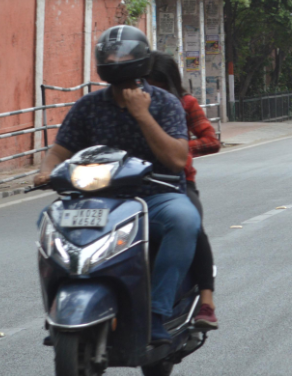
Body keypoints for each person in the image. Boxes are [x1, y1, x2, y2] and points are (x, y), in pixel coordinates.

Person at [33, 25, 200, 345]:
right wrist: (46, 170)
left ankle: (157, 312)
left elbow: (178, 159)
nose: (115, 59)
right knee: (47, 222)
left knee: (184, 220)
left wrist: (142, 115)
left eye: (122, 54)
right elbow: (59, 150)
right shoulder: (88, 106)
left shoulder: (165, 104)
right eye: (110, 55)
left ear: (140, 60)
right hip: (94, 201)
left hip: (155, 196)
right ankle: (57, 306)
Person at [147, 51, 220, 329]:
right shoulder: (130, 106)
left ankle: (206, 301)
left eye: (158, 84)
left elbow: (210, 140)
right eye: (147, 83)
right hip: (136, 184)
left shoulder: (185, 103)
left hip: (178, 183)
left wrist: (175, 149)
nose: (153, 91)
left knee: (192, 227)